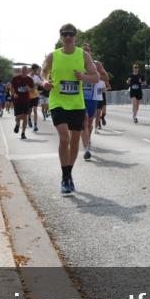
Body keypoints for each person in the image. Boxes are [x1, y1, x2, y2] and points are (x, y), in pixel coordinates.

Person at [42, 24, 99, 193]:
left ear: (75, 36)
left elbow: (96, 77)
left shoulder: (83, 55)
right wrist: (44, 82)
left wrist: (83, 77)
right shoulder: (53, 55)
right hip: (57, 102)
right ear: (61, 37)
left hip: (76, 104)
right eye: (64, 34)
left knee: (75, 141)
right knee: (64, 138)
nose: (68, 37)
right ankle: (65, 176)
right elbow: (43, 72)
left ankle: (68, 174)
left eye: (71, 34)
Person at [10, 66, 34, 140]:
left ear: (27, 71)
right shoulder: (15, 79)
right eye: (22, 70)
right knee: (18, 116)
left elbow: (33, 90)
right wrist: (14, 94)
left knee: (25, 116)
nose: (24, 71)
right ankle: (17, 124)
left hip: (26, 100)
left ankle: (23, 133)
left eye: (25, 70)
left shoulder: (30, 79)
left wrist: (29, 88)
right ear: (21, 71)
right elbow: (11, 89)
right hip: (17, 100)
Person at [29, 64, 44, 132]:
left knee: (35, 110)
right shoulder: (28, 77)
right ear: (32, 69)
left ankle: (35, 125)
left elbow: (42, 82)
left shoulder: (37, 77)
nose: (36, 71)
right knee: (29, 110)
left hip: (35, 95)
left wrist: (39, 82)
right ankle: (29, 119)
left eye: (37, 70)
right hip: (29, 96)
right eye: (35, 70)